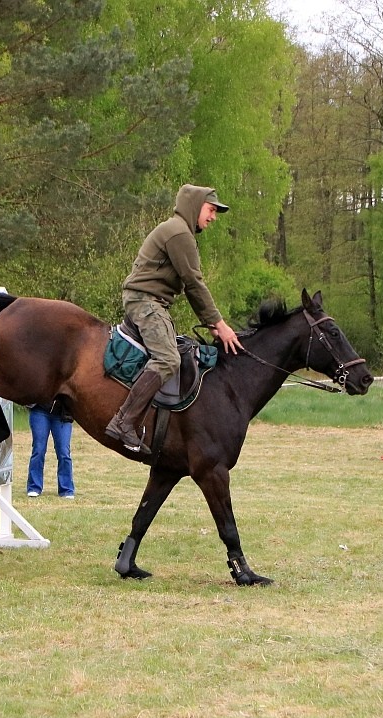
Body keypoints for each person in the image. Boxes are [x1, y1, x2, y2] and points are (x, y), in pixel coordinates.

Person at [105, 184, 243, 453]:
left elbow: (192, 285)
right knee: (168, 359)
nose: (213, 217)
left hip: (152, 302)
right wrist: (220, 324)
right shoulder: (179, 232)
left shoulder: (180, 231)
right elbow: (194, 283)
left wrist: (211, 323)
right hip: (145, 301)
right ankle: (124, 422)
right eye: (211, 209)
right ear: (195, 205)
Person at [26, 403, 74, 499]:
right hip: (39, 410)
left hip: (62, 413)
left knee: (64, 452)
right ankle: (34, 487)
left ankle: (66, 489)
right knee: (39, 450)